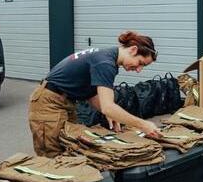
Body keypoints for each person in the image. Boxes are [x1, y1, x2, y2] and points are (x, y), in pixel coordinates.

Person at [28, 31, 163, 157]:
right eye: (140, 63)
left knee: (70, 145)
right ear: (133, 50)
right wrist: (143, 125)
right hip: (49, 102)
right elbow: (108, 106)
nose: (139, 70)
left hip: (65, 101)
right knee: (53, 154)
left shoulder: (108, 57)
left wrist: (111, 114)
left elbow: (91, 94)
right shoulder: (105, 63)